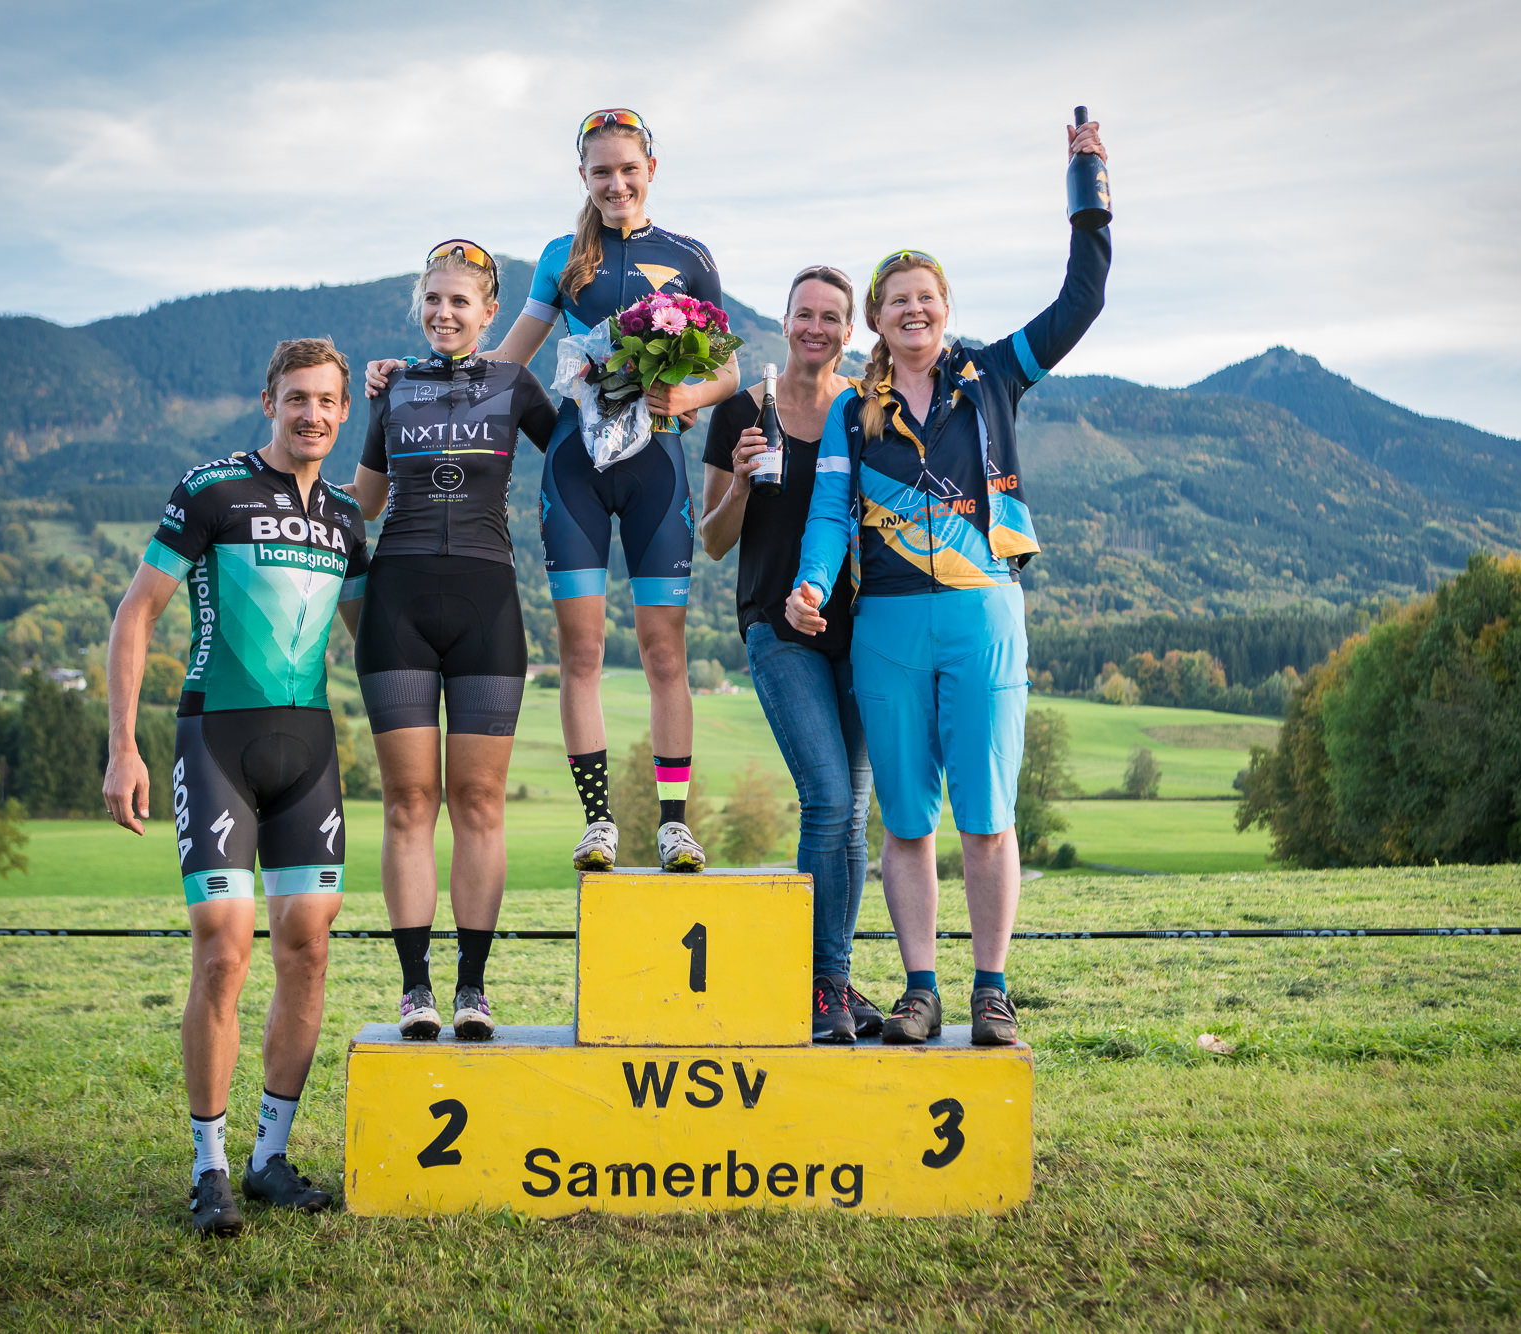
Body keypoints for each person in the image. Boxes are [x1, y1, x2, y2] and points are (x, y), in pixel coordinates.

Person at [787, 118, 1111, 1047]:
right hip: (887, 627)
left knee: (988, 818)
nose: (914, 312)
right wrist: (812, 585)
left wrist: (1088, 185)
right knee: (906, 825)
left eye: (926, 298)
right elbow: (829, 515)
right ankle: (920, 989)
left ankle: (992, 991)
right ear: (876, 320)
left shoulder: (995, 375)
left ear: (944, 306)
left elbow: (1083, 298)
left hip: (983, 616)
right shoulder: (855, 410)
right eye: (897, 302)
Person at [367, 108, 737, 873]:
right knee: (582, 651)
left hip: (658, 464)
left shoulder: (689, 256)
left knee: (664, 651)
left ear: (651, 170)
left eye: (628, 169)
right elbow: (502, 360)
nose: (616, 183)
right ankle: (599, 823)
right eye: (601, 172)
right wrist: (409, 373)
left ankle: (674, 825)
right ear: (582, 177)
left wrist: (689, 397)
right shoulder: (562, 258)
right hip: (577, 466)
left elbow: (728, 368)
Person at [102, 338, 369, 1235]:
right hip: (217, 742)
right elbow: (137, 612)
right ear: (270, 402)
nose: (312, 414)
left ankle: (268, 1160)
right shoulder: (212, 489)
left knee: (308, 949)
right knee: (222, 951)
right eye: (297, 398)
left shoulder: (345, 518)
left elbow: (376, 635)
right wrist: (122, 748)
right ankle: (209, 1166)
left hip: (310, 752)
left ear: (344, 411)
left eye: (327, 401)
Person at [349, 241, 558, 1043]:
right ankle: (416, 991)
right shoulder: (392, 387)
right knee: (409, 803)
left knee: (478, 802)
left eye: (459, 301)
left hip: (487, 605)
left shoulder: (514, 383)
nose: (443, 313)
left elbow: (581, 463)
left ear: (488, 312)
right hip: (398, 607)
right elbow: (365, 503)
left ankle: (473, 987)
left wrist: (656, 406)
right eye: (432, 300)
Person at [701, 264, 882, 1043]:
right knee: (828, 798)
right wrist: (741, 483)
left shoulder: (866, 411)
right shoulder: (741, 412)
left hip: (864, 632)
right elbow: (711, 541)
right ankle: (821, 983)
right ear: (784, 323)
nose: (815, 327)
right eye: (803, 314)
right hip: (778, 630)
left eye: (830, 317)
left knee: (855, 817)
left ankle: (833, 979)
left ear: (849, 331)